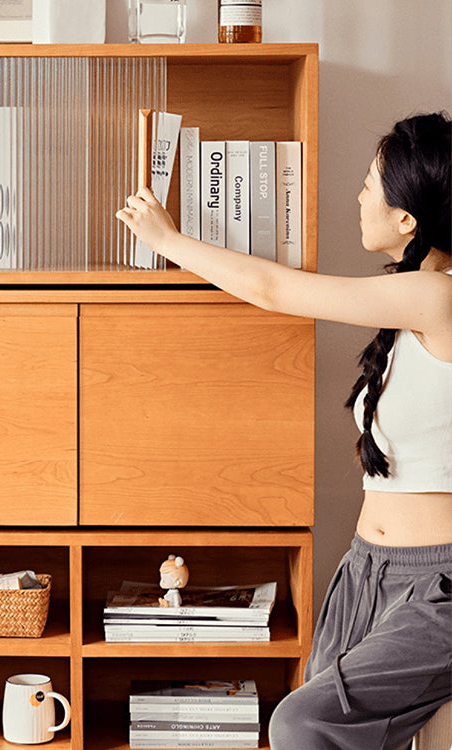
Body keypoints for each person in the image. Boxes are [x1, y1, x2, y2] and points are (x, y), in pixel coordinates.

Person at [116, 112, 452, 750]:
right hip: (365, 572)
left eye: (369, 184)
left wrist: (170, 239)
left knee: (298, 723)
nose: (357, 196)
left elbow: (271, 287)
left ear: (406, 218)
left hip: (437, 586)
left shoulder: (438, 298)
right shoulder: (415, 302)